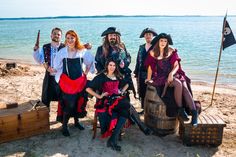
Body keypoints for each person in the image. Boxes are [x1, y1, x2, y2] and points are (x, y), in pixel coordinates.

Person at [145, 33, 198, 127]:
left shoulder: (171, 51)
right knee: (178, 83)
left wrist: (171, 74)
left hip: (174, 73)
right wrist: (148, 79)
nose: (163, 43)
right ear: (158, 41)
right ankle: (180, 109)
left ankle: (194, 114)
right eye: (161, 40)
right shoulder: (152, 53)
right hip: (162, 77)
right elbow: (150, 67)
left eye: (165, 41)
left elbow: (176, 65)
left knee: (184, 87)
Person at [54, 30, 95, 136]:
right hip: (67, 83)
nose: (70, 40)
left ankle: (77, 122)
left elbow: (90, 61)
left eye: (72, 38)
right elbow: (56, 65)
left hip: (79, 82)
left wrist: (85, 72)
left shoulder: (82, 51)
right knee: (69, 104)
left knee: (78, 102)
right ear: (65, 40)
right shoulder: (62, 52)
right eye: (67, 38)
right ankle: (64, 126)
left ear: (76, 39)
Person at [86, 59, 130, 151]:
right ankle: (113, 140)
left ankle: (112, 139)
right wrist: (99, 95)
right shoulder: (101, 77)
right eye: (110, 65)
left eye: (114, 65)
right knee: (126, 110)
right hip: (106, 101)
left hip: (117, 99)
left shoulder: (118, 76)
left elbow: (127, 84)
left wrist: (121, 91)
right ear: (107, 66)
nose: (112, 67)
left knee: (125, 109)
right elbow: (88, 89)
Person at [95, 27, 136, 98]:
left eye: (114, 35)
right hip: (106, 79)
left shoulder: (122, 47)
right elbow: (97, 63)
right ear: (107, 37)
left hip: (120, 78)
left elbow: (128, 58)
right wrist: (104, 73)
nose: (112, 37)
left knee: (122, 99)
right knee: (105, 100)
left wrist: (125, 64)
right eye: (110, 35)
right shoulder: (100, 49)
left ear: (117, 37)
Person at [33, 27, 64, 108]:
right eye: (54, 34)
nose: (56, 35)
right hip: (49, 77)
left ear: (61, 36)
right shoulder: (45, 47)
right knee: (46, 97)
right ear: (51, 35)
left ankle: (61, 117)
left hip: (62, 77)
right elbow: (40, 60)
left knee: (63, 98)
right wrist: (36, 50)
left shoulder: (65, 47)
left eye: (58, 34)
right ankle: (46, 116)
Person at [134, 28, 157, 114]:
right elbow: (138, 60)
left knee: (151, 91)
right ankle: (144, 109)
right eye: (146, 35)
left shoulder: (155, 47)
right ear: (144, 36)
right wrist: (136, 72)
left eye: (149, 35)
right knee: (142, 91)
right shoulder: (141, 47)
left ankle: (151, 109)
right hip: (141, 72)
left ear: (152, 36)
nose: (148, 36)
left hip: (152, 74)